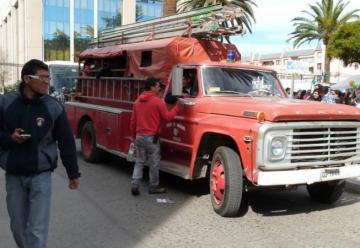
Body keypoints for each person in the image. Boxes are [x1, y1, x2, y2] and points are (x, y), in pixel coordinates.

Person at [0, 59, 81, 248]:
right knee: (18, 227)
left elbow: (67, 141)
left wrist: (73, 173)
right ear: (27, 79)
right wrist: (10, 138)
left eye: (48, 78)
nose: (47, 82)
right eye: (43, 78)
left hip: (41, 175)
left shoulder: (53, 107)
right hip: (14, 175)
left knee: (37, 229)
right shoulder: (6, 103)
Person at [130, 77, 181, 195]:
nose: (159, 88)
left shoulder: (137, 102)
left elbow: (132, 121)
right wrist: (178, 106)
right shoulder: (158, 101)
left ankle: (135, 183)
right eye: (158, 86)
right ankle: (153, 186)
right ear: (152, 87)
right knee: (154, 162)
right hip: (152, 138)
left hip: (139, 136)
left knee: (139, 161)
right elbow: (167, 117)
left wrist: (133, 136)